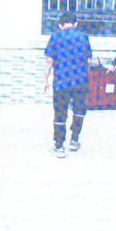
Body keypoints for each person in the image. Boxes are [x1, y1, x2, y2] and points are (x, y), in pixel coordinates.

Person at [45, 11, 94, 156]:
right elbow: (89, 61)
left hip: (61, 82)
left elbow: (49, 61)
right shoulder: (84, 37)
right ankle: (74, 140)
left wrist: (46, 80)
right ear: (75, 24)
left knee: (60, 113)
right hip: (80, 82)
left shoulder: (55, 37)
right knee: (79, 111)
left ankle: (59, 146)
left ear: (60, 25)